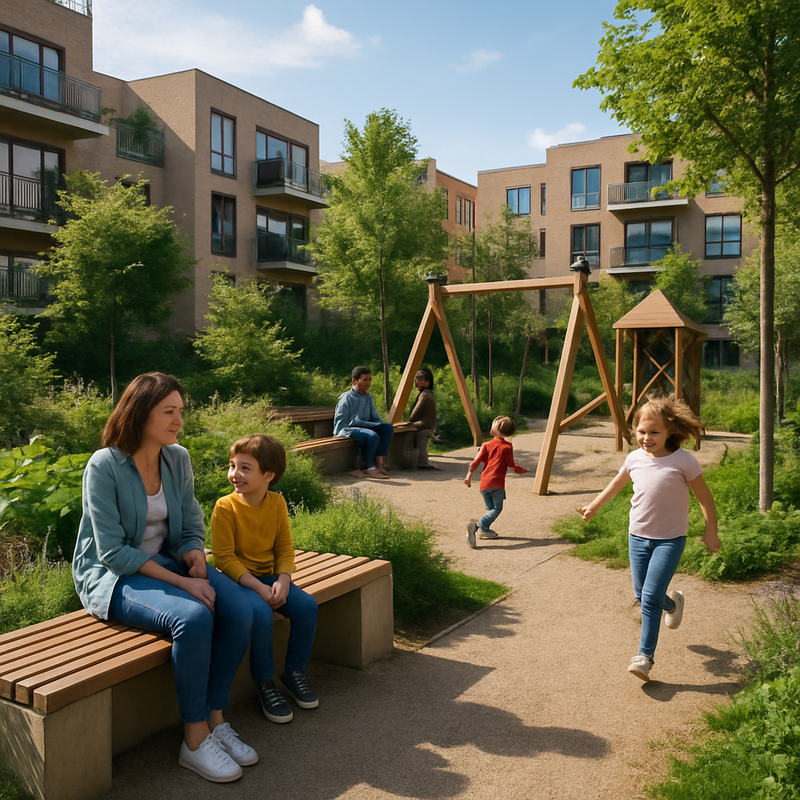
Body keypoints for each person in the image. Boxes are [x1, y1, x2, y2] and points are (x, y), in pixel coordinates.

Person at [71, 373, 256, 784]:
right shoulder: (104, 465)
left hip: (169, 562)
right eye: (169, 412)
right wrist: (185, 584)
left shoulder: (177, 458)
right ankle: (194, 739)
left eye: (180, 411)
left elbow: (190, 521)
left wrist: (194, 554)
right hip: (115, 576)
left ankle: (215, 719)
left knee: (240, 609)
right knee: (194, 618)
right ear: (140, 414)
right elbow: (112, 552)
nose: (179, 421)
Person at [578, 396, 721, 682]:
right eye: (642, 431)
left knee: (650, 597)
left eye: (654, 432)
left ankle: (644, 657)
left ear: (670, 431)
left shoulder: (683, 461)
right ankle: (673, 605)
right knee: (642, 595)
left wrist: (711, 531)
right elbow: (616, 484)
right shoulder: (634, 458)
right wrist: (593, 506)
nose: (647, 438)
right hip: (637, 537)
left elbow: (705, 499)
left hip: (670, 540)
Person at [211, 434, 319, 725]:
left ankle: (295, 671)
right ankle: (265, 682)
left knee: (307, 606)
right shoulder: (225, 507)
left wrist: (284, 579)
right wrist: (258, 587)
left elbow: (284, 546)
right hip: (238, 582)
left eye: (245, 468)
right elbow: (224, 558)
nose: (235, 474)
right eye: (233, 466)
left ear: (268, 475)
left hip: (271, 577)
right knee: (261, 615)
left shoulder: (277, 503)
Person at [464, 415, 528, 548]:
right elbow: (512, 465)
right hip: (497, 484)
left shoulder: (485, 445)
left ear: (497, 430)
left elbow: (475, 463)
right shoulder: (507, 447)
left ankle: (483, 530)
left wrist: (469, 476)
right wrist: (521, 470)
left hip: (484, 485)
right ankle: (479, 527)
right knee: (497, 509)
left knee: (490, 509)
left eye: (493, 425)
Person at [333, 366, 394, 479]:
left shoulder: (368, 397)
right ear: (355, 381)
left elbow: (375, 417)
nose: (368, 383)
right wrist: (372, 426)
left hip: (361, 427)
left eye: (370, 379)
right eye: (365, 379)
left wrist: (380, 425)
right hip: (347, 429)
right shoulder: (347, 397)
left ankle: (378, 464)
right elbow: (352, 422)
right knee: (372, 435)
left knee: (387, 428)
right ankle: (368, 467)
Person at [408, 368, 438, 469]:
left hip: (423, 425)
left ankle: (420, 462)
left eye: (420, 379)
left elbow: (415, 412)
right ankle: (422, 461)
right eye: (416, 379)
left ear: (427, 382)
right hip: (428, 425)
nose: (417, 381)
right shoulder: (427, 393)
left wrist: (410, 420)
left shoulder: (425, 395)